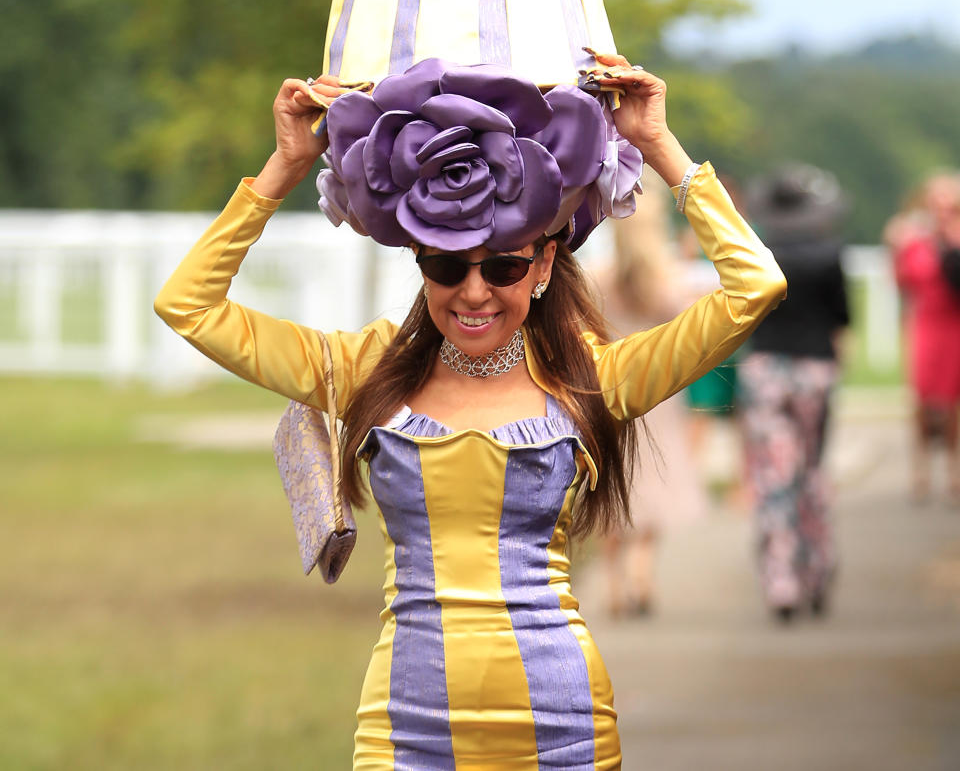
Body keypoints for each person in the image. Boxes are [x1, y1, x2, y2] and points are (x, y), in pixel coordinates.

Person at [155, 61, 786, 770]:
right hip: (404, 731)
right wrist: (284, 165)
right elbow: (189, 305)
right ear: (420, 264)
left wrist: (660, 144)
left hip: (563, 728)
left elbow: (753, 287)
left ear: (545, 264)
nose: (474, 292)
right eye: (446, 266)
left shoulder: (594, 380)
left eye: (504, 268)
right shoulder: (362, 371)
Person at [738, 164, 850, 622]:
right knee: (812, 467)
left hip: (765, 367)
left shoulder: (756, 253)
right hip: (814, 366)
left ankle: (780, 578)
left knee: (772, 474)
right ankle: (818, 567)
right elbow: (842, 320)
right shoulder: (830, 254)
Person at [591, 179, 706, 619]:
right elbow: (689, 321)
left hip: (607, 392)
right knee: (652, 483)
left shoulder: (598, 278)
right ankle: (642, 570)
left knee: (612, 488)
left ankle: (615, 581)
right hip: (655, 397)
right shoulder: (665, 282)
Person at [885, 172, 960, 503]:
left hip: (954, 322)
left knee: (954, 402)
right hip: (927, 323)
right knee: (922, 400)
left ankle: (953, 471)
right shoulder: (916, 242)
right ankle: (921, 470)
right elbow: (901, 281)